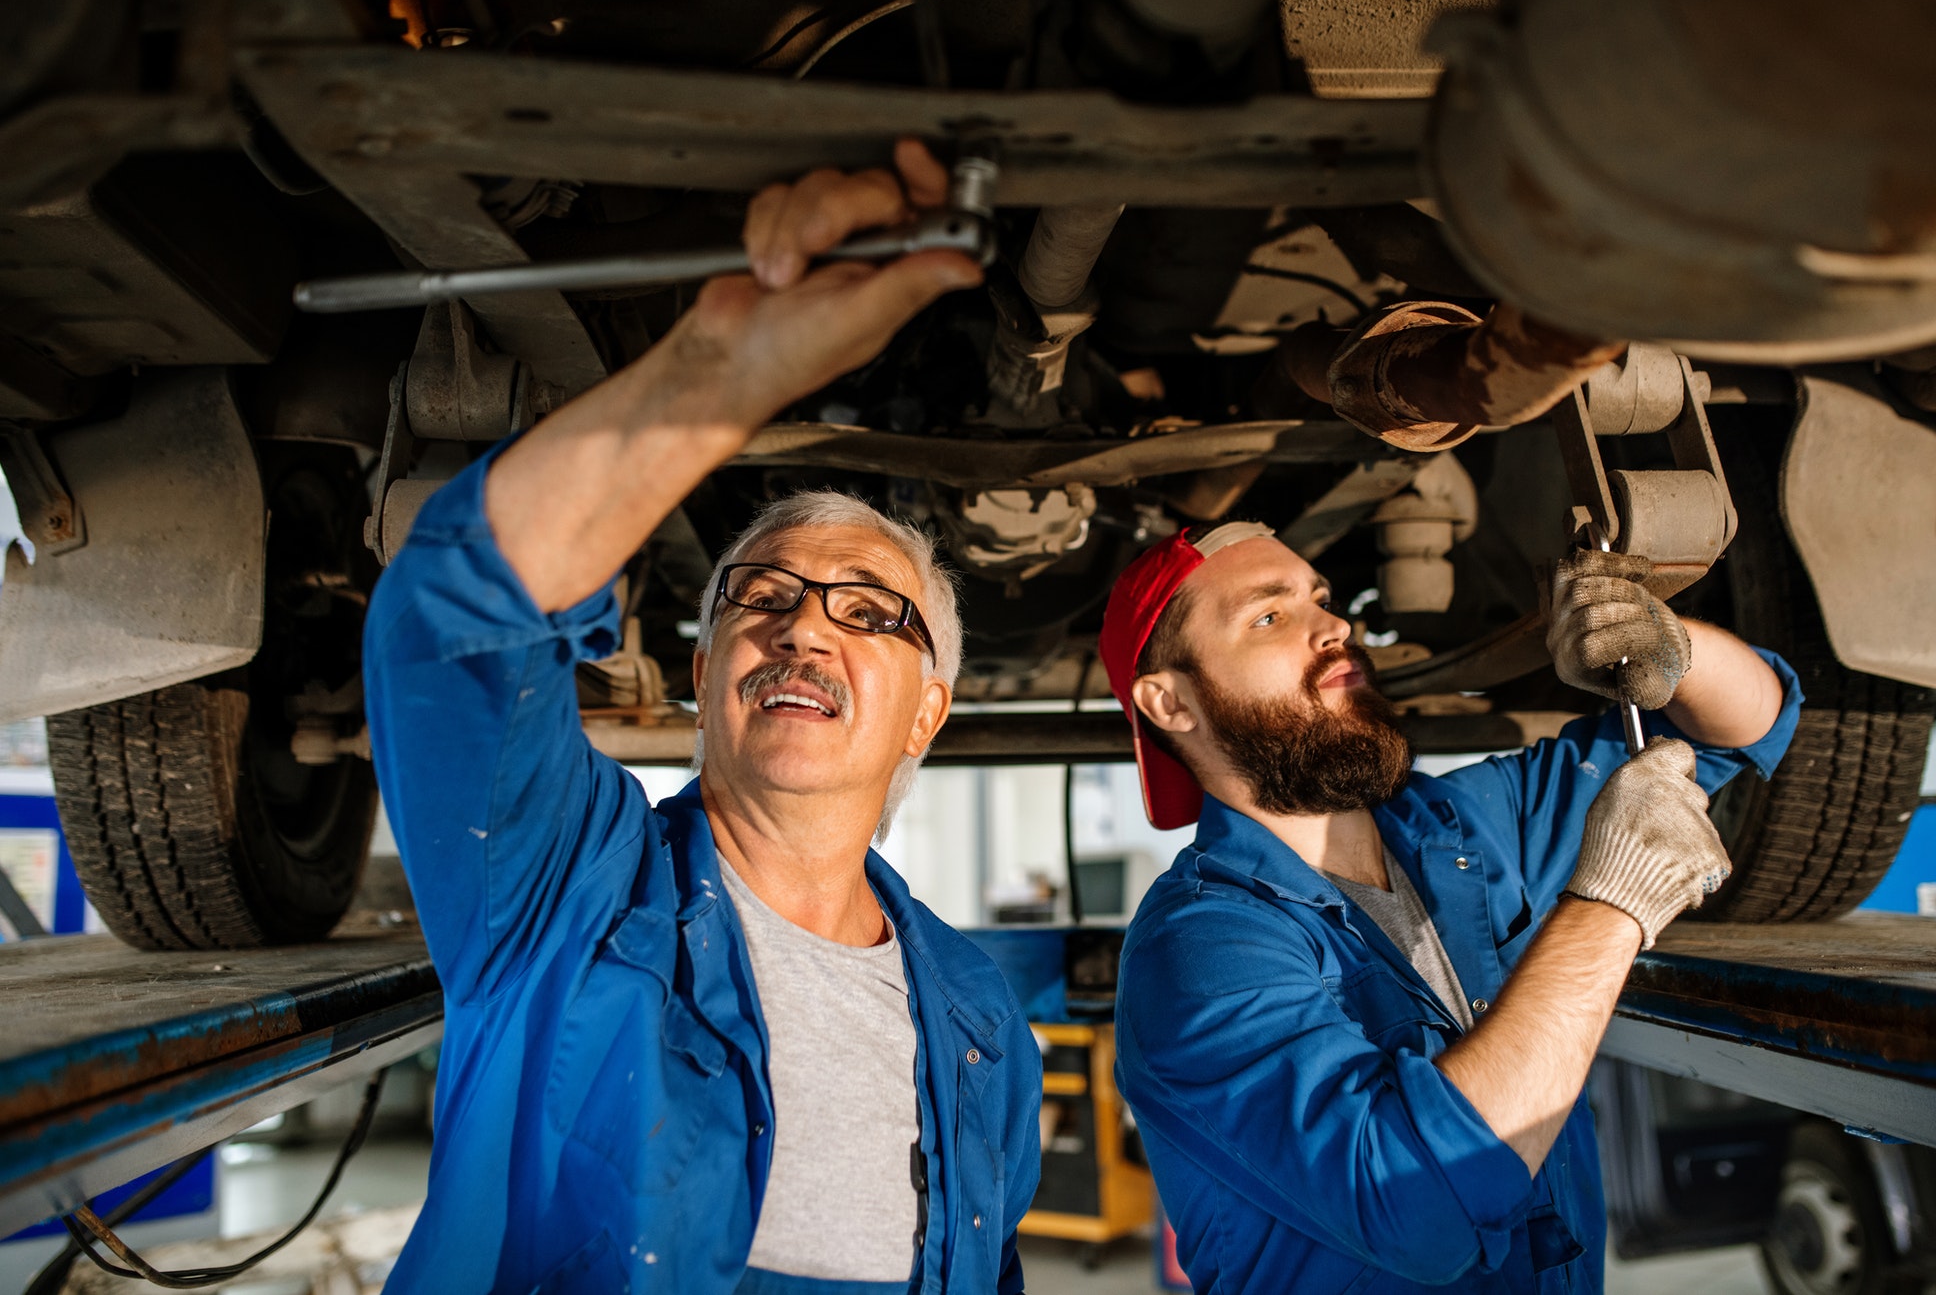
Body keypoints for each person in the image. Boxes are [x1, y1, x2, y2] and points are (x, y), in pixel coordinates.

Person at [363, 141, 1040, 1294]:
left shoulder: (979, 1018)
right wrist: (715, 374)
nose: (804, 630)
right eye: (764, 598)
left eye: (868, 612)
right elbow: (450, 620)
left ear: (926, 712)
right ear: (703, 667)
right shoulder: (565, 895)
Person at [1100, 521, 1803, 1293]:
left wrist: (1673, 648)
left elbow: (1750, 725)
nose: (1334, 626)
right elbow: (1419, 1203)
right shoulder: (1199, 948)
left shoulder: (1460, 826)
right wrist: (1610, 905)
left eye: (1323, 600)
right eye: (1270, 616)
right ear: (1170, 701)